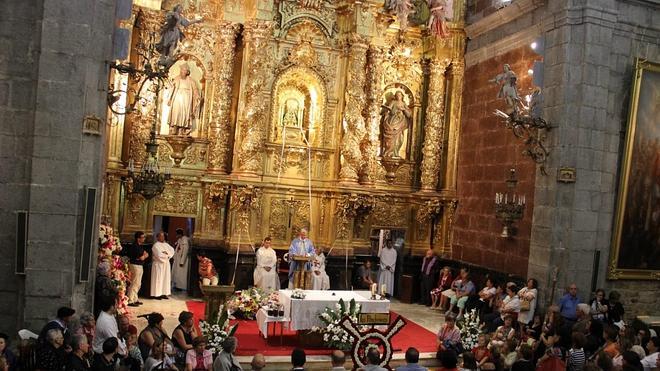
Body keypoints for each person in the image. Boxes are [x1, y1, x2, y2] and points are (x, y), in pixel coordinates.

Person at [168, 63, 201, 135]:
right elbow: (171, 89)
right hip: (177, 97)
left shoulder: (191, 81)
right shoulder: (176, 79)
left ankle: (182, 129)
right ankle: (174, 127)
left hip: (186, 98)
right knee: (176, 112)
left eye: (184, 70)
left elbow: (195, 90)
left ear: (187, 72)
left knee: (185, 113)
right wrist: (170, 99)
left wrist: (197, 96)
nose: (182, 71)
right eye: (181, 70)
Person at [380, 90, 411, 158]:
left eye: (399, 95)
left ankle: (396, 152)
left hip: (400, 123)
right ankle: (389, 152)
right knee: (390, 137)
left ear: (402, 96)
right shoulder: (393, 102)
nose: (398, 97)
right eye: (397, 95)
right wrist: (385, 109)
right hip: (392, 121)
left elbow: (409, 115)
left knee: (399, 139)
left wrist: (403, 110)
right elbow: (389, 109)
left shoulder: (404, 104)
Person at [151, 231, 176, 299]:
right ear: (157, 237)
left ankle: (164, 293)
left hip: (166, 264)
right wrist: (166, 255)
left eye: (163, 236)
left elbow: (172, 251)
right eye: (161, 236)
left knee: (166, 279)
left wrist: (167, 255)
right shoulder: (155, 245)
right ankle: (157, 294)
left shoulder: (166, 245)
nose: (162, 237)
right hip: (159, 264)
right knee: (158, 279)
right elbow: (159, 254)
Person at [127, 231, 148, 307]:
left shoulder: (139, 246)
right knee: (134, 282)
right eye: (143, 237)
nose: (144, 239)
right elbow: (142, 257)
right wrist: (144, 255)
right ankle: (130, 300)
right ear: (138, 238)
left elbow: (145, 254)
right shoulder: (135, 246)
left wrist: (144, 255)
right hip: (135, 265)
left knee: (138, 283)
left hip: (139, 265)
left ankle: (135, 299)